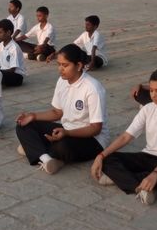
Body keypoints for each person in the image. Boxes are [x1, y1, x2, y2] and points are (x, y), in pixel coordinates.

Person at [92, 68, 157, 205]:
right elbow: (126, 137)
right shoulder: (147, 109)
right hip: (148, 156)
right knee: (108, 159)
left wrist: (155, 174)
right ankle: (145, 187)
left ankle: (128, 180)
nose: (154, 95)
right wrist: (101, 155)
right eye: (151, 90)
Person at [15, 44, 109, 175]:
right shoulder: (62, 81)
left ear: (79, 66)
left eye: (65, 65)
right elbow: (57, 112)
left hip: (92, 139)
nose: (60, 69)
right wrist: (33, 116)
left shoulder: (93, 88)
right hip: (65, 130)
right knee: (23, 125)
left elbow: (95, 128)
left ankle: (37, 149)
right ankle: (46, 158)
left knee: (62, 146)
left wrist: (67, 133)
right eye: (58, 64)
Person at [0, 19, 26, 87]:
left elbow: (12, 70)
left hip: (16, 76)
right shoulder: (0, 45)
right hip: (3, 72)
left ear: (8, 32)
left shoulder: (14, 47)